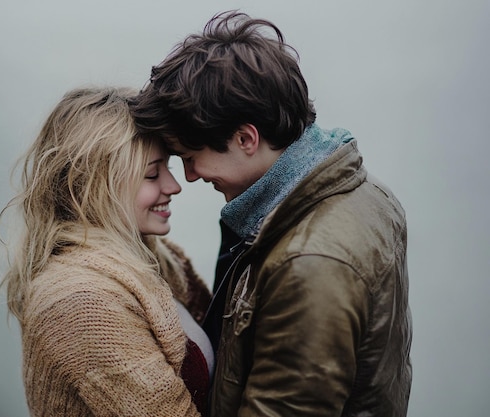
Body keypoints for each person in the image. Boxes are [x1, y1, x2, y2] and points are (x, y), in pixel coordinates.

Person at [129, 10, 412, 417]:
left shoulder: (309, 262)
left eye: (191, 158)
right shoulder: (364, 191)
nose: (189, 177)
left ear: (246, 138)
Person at [0, 87, 213, 416]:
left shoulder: (158, 259)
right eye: (153, 174)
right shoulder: (79, 302)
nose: (173, 186)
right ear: (98, 183)